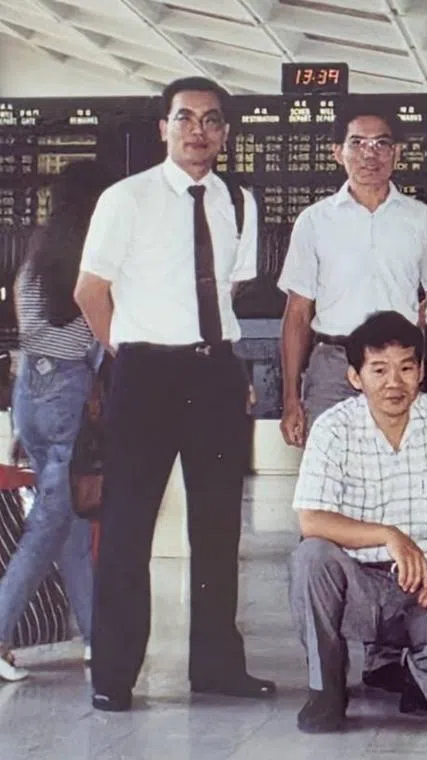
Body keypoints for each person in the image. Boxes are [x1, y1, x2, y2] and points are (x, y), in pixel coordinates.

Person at [74, 76, 273, 711]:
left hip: (214, 375)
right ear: (164, 127)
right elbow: (90, 291)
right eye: (185, 118)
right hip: (145, 375)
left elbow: (228, 289)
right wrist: (129, 352)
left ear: (225, 133)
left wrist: (199, 350)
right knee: (127, 528)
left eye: (211, 120)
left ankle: (215, 667)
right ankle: (114, 677)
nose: (198, 130)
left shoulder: (239, 201)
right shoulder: (126, 198)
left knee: (217, 528)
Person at [289, 311, 427, 734]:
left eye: (406, 368)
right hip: (356, 585)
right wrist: (388, 535)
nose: (394, 383)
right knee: (310, 557)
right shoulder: (333, 428)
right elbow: (311, 519)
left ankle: (419, 678)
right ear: (355, 377)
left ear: (421, 372)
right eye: (379, 370)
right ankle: (325, 690)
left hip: (425, 587)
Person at [0, 160, 114, 682]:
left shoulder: (35, 260)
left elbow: (31, 334)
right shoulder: (86, 267)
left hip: (31, 390)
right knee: (48, 526)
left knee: (70, 524)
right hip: (67, 394)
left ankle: (97, 637)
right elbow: (88, 339)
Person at [277, 103, 427, 446]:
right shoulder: (314, 221)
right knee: (327, 469)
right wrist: (291, 398)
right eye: (357, 143)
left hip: (398, 368)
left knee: (401, 466)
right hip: (332, 367)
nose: (370, 154)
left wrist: (412, 341)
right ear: (337, 152)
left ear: (397, 152)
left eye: (381, 143)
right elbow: (297, 313)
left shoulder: (423, 220)